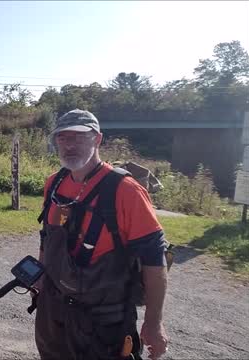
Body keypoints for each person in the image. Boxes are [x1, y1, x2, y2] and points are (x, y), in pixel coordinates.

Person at [34, 109, 169, 360]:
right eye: (63, 138)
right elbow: (47, 237)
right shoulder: (53, 183)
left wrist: (153, 322)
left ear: (97, 139)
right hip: (53, 312)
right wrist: (40, 276)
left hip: (104, 321)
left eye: (79, 136)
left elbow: (154, 260)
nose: (69, 144)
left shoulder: (126, 190)